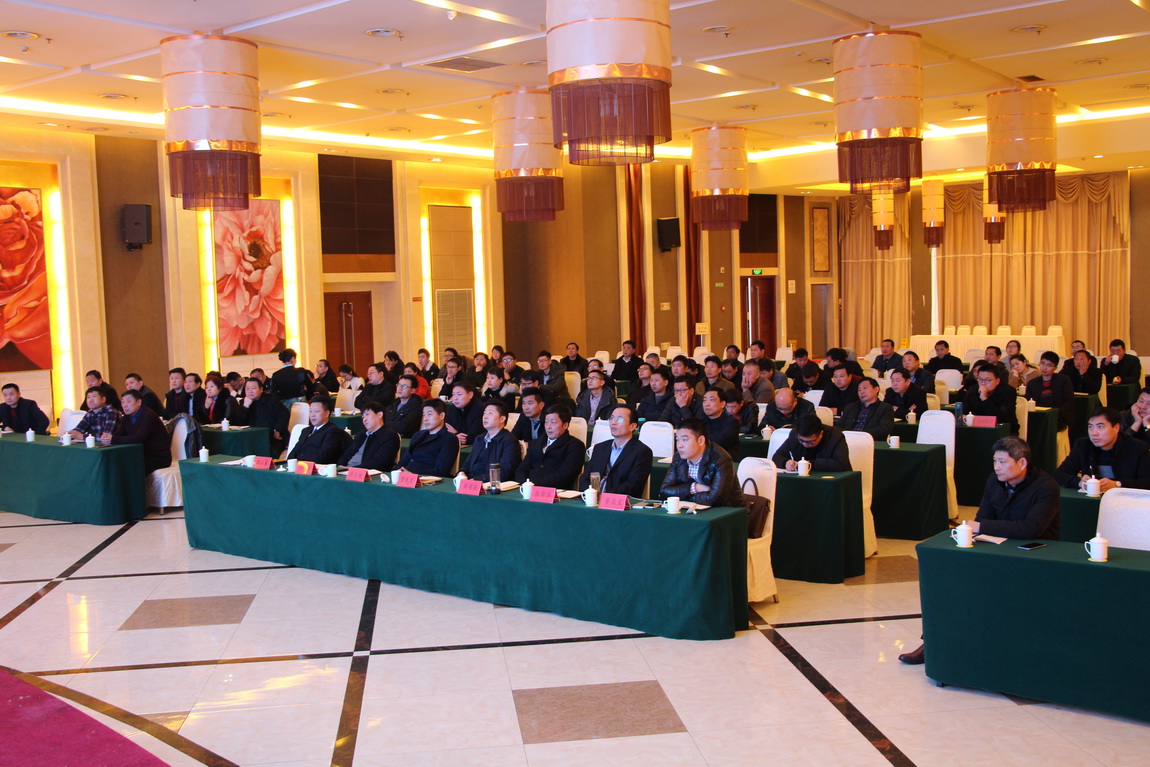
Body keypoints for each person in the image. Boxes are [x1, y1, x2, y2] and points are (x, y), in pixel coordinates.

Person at [900, 436, 1060, 665]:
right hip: (996, 548)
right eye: (994, 461)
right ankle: (934, 643)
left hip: (1034, 555)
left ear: (1022, 463)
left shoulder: (1046, 486)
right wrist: (981, 528)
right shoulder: (994, 480)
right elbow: (982, 518)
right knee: (949, 580)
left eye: (1002, 462)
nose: (997, 467)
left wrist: (983, 527)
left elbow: (1031, 528)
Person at [1054, 407, 1150, 492]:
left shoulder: (1138, 447)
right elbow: (1058, 474)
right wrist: (1079, 482)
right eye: (1090, 427)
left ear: (1116, 428)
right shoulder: (1083, 445)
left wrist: (1118, 484)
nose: (1094, 433)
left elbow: (1147, 482)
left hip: (1124, 501)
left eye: (1100, 427)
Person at [659, 418, 744, 507]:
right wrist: (694, 488)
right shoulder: (678, 457)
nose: (679, 445)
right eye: (677, 440)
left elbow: (716, 500)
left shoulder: (720, 459)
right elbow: (664, 492)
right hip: (692, 509)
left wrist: (684, 496)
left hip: (728, 510)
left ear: (701, 441)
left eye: (684, 440)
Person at [579, 404, 653, 498]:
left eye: (620, 419)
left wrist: (604, 496)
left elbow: (633, 485)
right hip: (592, 500)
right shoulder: (600, 448)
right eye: (612, 418)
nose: (613, 422)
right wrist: (591, 494)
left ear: (633, 426)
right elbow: (585, 478)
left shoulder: (642, 452)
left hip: (619, 502)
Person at [515, 404, 585, 489]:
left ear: (565, 425)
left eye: (553, 422)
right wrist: (525, 484)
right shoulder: (536, 443)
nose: (548, 427)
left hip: (555, 491)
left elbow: (565, 475)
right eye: (546, 422)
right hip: (527, 488)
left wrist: (534, 484)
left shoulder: (575, 446)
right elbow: (522, 469)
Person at [104, 390, 171, 476]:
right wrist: (107, 438)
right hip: (138, 454)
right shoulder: (127, 417)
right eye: (123, 402)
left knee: (127, 466)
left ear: (139, 402)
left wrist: (113, 439)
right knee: (113, 462)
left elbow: (138, 439)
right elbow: (118, 434)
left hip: (157, 457)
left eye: (128, 401)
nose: (125, 405)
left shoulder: (148, 415)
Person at [458, 401, 521, 480]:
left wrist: (475, 480)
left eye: (490, 413)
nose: (485, 417)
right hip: (471, 482)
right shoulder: (479, 438)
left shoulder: (510, 442)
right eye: (484, 413)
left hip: (490, 484)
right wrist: (462, 473)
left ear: (502, 419)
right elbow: (468, 463)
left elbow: (504, 473)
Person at [396, 399, 459, 477]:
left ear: (441, 416)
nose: (425, 419)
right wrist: (397, 471)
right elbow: (404, 461)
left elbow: (441, 470)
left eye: (429, 414)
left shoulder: (449, 439)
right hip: (407, 477)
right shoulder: (418, 435)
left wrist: (414, 474)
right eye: (424, 415)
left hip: (426, 479)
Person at [770, 413, 852, 472]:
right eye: (801, 440)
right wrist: (786, 462)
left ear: (821, 434)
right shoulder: (795, 435)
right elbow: (777, 456)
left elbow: (841, 464)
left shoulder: (835, 436)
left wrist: (809, 464)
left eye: (810, 442)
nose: (805, 444)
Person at [233, 376, 290, 455]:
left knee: (269, 453)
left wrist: (277, 430)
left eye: (253, 388)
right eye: (247, 389)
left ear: (261, 389)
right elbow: (240, 423)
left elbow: (284, 414)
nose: (250, 391)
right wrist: (245, 407)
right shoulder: (244, 402)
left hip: (272, 437)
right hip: (252, 438)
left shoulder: (271, 399)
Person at [338, 401, 400, 472]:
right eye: (363, 417)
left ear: (380, 414)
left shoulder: (390, 436)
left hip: (368, 473)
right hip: (348, 471)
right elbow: (347, 454)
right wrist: (340, 466)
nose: (364, 419)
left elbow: (380, 462)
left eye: (367, 414)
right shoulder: (361, 434)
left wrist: (353, 469)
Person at [287, 396, 350, 464]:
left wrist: (300, 462)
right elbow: (292, 455)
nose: (312, 415)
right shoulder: (306, 430)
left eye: (316, 411)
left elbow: (322, 458)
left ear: (327, 413)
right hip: (300, 466)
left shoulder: (332, 432)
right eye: (310, 411)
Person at [961, 364, 1018, 434]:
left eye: (987, 380)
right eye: (980, 379)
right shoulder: (973, 390)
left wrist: (984, 398)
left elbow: (1003, 417)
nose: (983, 383)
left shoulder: (1008, 391)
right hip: (977, 430)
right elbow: (965, 412)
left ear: (997, 381)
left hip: (1004, 431)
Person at [1025, 351, 1074, 429]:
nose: (1044, 367)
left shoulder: (1063, 380)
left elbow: (1069, 401)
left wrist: (1055, 413)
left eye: (1049, 365)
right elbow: (1027, 402)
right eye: (1042, 363)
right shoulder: (1032, 383)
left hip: (1057, 417)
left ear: (1055, 368)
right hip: (1038, 416)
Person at [701, 389, 740, 459]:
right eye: (704, 400)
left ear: (722, 404)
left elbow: (718, 442)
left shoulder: (732, 423)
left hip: (724, 461)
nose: (707, 404)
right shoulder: (700, 421)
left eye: (712, 400)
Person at [445, 380, 484, 446]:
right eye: (453, 394)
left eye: (459, 394)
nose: (455, 398)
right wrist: (456, 435)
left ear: (470, 395)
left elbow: (474, 436)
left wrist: (455, 434)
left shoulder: (480, 409)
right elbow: (447, 429)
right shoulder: (452, 409)